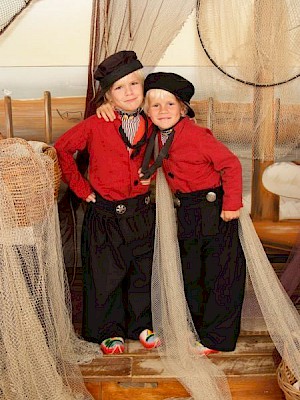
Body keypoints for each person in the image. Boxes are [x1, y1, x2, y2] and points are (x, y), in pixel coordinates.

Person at [54, 51, 160, 355]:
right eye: (119, 88)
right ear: (109, 97)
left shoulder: (153, 121)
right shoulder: (95, 124)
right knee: (105, 274)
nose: (129, 92)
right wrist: (80, 187)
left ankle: (140, 325)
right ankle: (108, 330)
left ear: (143, 88)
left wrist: (153, 175)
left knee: (141, 270)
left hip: (140, 210)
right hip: (104, 214)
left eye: (134, 84)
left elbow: (170, 148)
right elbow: (61, 149)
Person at [140, 72, 246, 356]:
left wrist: (231, 204)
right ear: (146, 111)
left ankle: (218, 338)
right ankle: (198, 327)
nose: (163, 111)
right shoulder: (157, 137)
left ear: (184, 108)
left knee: (220, 273)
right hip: (187, 209)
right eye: (155, 105)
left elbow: (231, 165)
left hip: (214, 209)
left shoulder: (197, 136)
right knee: (192, 271)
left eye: (170, 104)